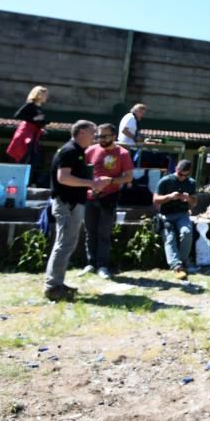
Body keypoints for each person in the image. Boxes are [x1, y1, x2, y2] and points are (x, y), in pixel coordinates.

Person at [44, 120, 109, 301]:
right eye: (92, 132)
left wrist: (92, 184)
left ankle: (57, 283)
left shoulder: (77, 152)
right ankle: (53, 287)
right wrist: (91, 183)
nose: (95, 136)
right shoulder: (70, 150)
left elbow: (73, 179)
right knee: (64, 244)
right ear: (80, 132)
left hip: (71, 203)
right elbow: (63, 178)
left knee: (67, 243)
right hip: (67, 204)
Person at [81, 124, 134, 279]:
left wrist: (110, 181)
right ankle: (90, 263)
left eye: (105, 136)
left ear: (114, 136)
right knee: (90, 231)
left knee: (104, 232)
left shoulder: (122, 153)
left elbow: (129, 177)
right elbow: (82, 172)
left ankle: (102, 265)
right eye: (99, 136)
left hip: (109, 197)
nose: (101, 139)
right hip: (89, 196)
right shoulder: (90, 150)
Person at [152, 159, 198, 280]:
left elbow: (194, 203)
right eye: (180, 174)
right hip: (166, 214)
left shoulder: (191, 183)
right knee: (170, 237)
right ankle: (176, 266)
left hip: (182, 214)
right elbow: (155, 200)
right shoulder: (166, 181)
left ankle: (181, 262)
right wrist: (170, 197)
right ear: (176, 170)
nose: (182, 177)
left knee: (187, 233)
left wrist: (188, 199)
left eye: (185, 175)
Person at [6, 85, 49, 166]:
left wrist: (41, 127)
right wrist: (34, 119)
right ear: (39, 94)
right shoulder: (30, 104)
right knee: (26, 155)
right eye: (45, 94)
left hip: (34, 133)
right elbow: (18, 115)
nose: (46, 97)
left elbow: (37, 121)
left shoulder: (40, 108)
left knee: (33, 158)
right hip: (26, 133)